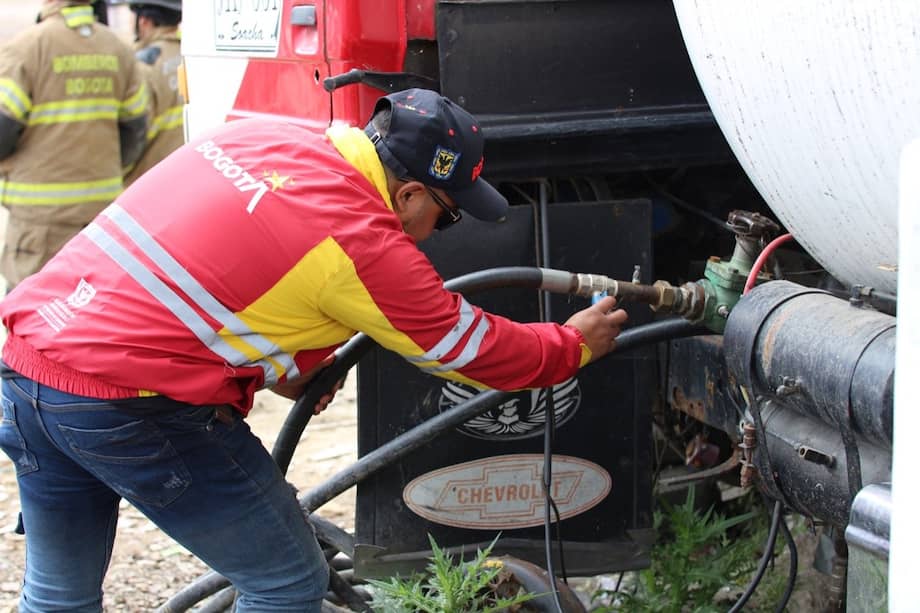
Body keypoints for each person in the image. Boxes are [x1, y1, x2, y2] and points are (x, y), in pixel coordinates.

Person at [0, 88, 628, 612]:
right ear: (410, 194)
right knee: (287, 583)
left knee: (59, 594)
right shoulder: (362, 236)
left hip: (26, 364)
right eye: (447, 214)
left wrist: (282, 370)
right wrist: (572, 346)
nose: (438, 231)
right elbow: (464, 347)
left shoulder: (264, 138)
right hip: (124, 406)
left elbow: (222, 270)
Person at [0, 0, 148, 291]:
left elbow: (3, 131)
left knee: (32, 315)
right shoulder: (118, 50)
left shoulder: (28, 47)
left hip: (41, 222)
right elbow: (135, 131)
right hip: (100, 218)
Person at [122, 0, 184, 186]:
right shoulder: (189, 54)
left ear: (144, 21)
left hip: (147, 180)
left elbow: (133, 133)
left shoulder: (142, 66)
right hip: (184, 172)